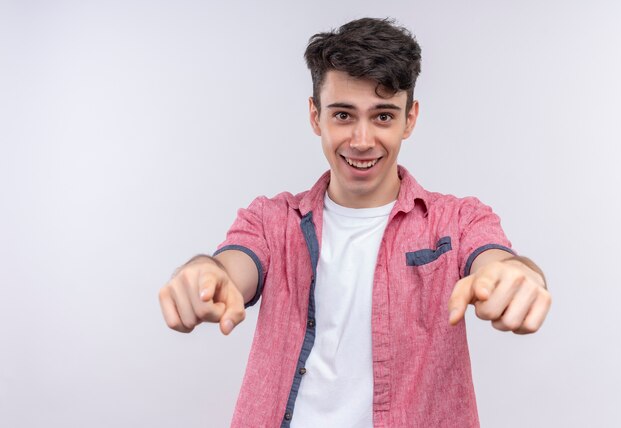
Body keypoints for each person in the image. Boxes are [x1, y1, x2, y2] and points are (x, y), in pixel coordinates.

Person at [158, 17, 551, 427]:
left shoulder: (458, 219)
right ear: (316, 117)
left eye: (382, 117)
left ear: (409, 119)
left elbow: (498, 260)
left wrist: (517, 276)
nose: (362, 140)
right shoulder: (271, 220)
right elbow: (233, 265)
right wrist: (206, 273)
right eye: (343, 115)